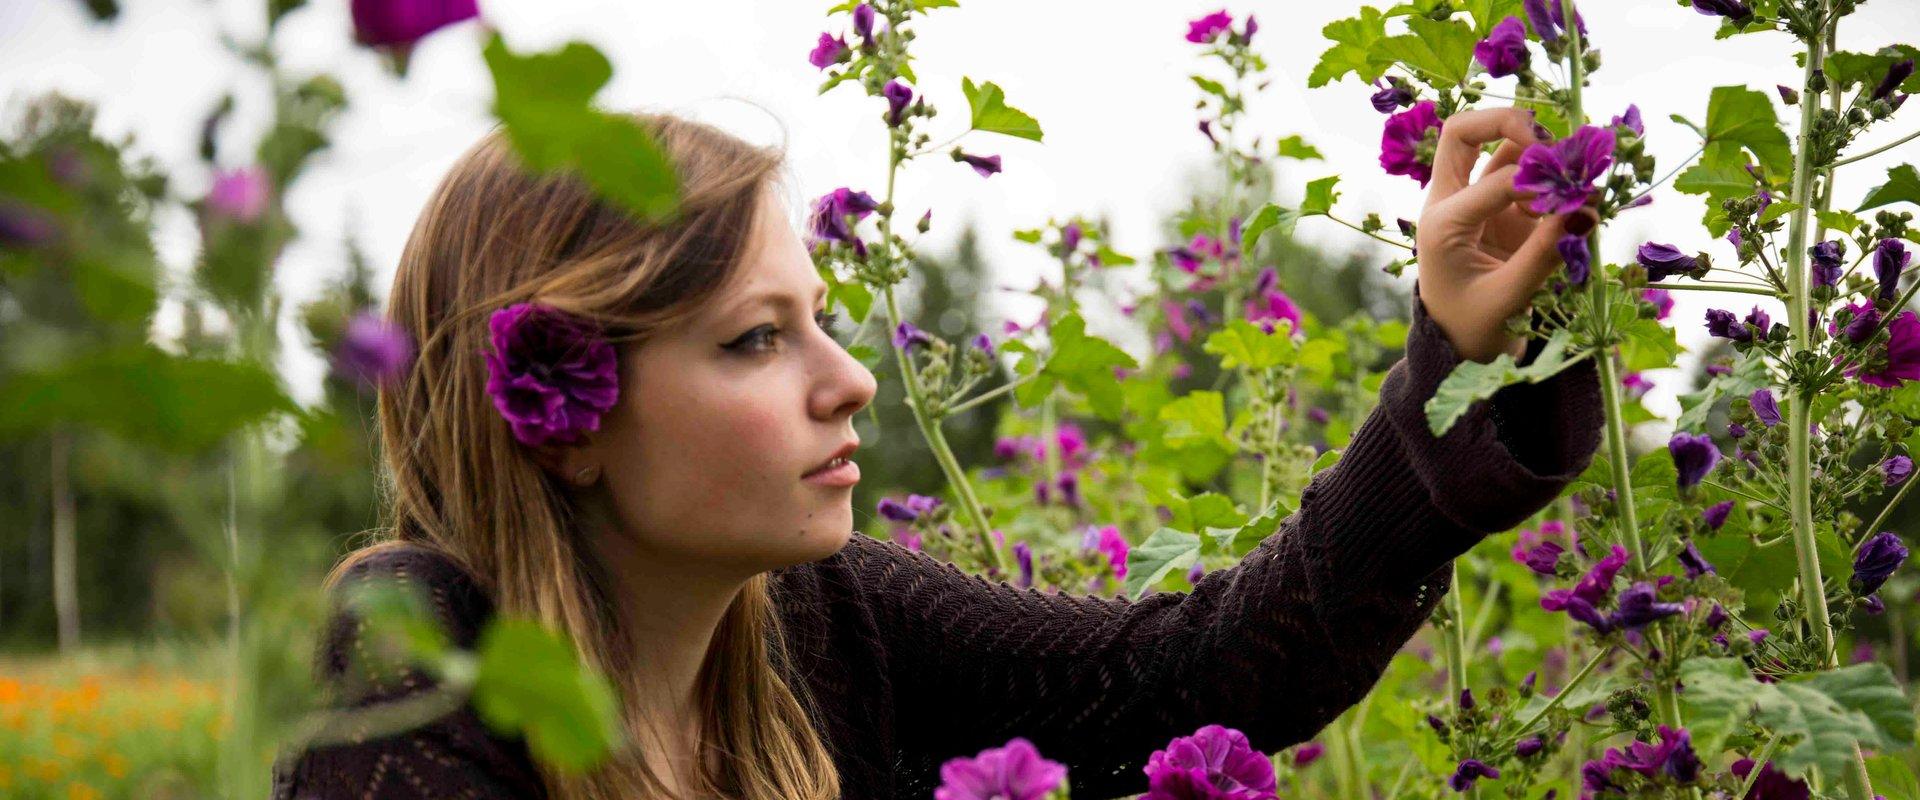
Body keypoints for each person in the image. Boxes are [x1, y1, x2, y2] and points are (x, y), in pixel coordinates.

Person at [271, 108, 1603, 800]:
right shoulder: (413, 671)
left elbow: (1176, 682)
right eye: (753, 341)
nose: (850, 380)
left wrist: (1447, 355)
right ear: (559, 410)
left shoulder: (816, 617)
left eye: (823, 323)